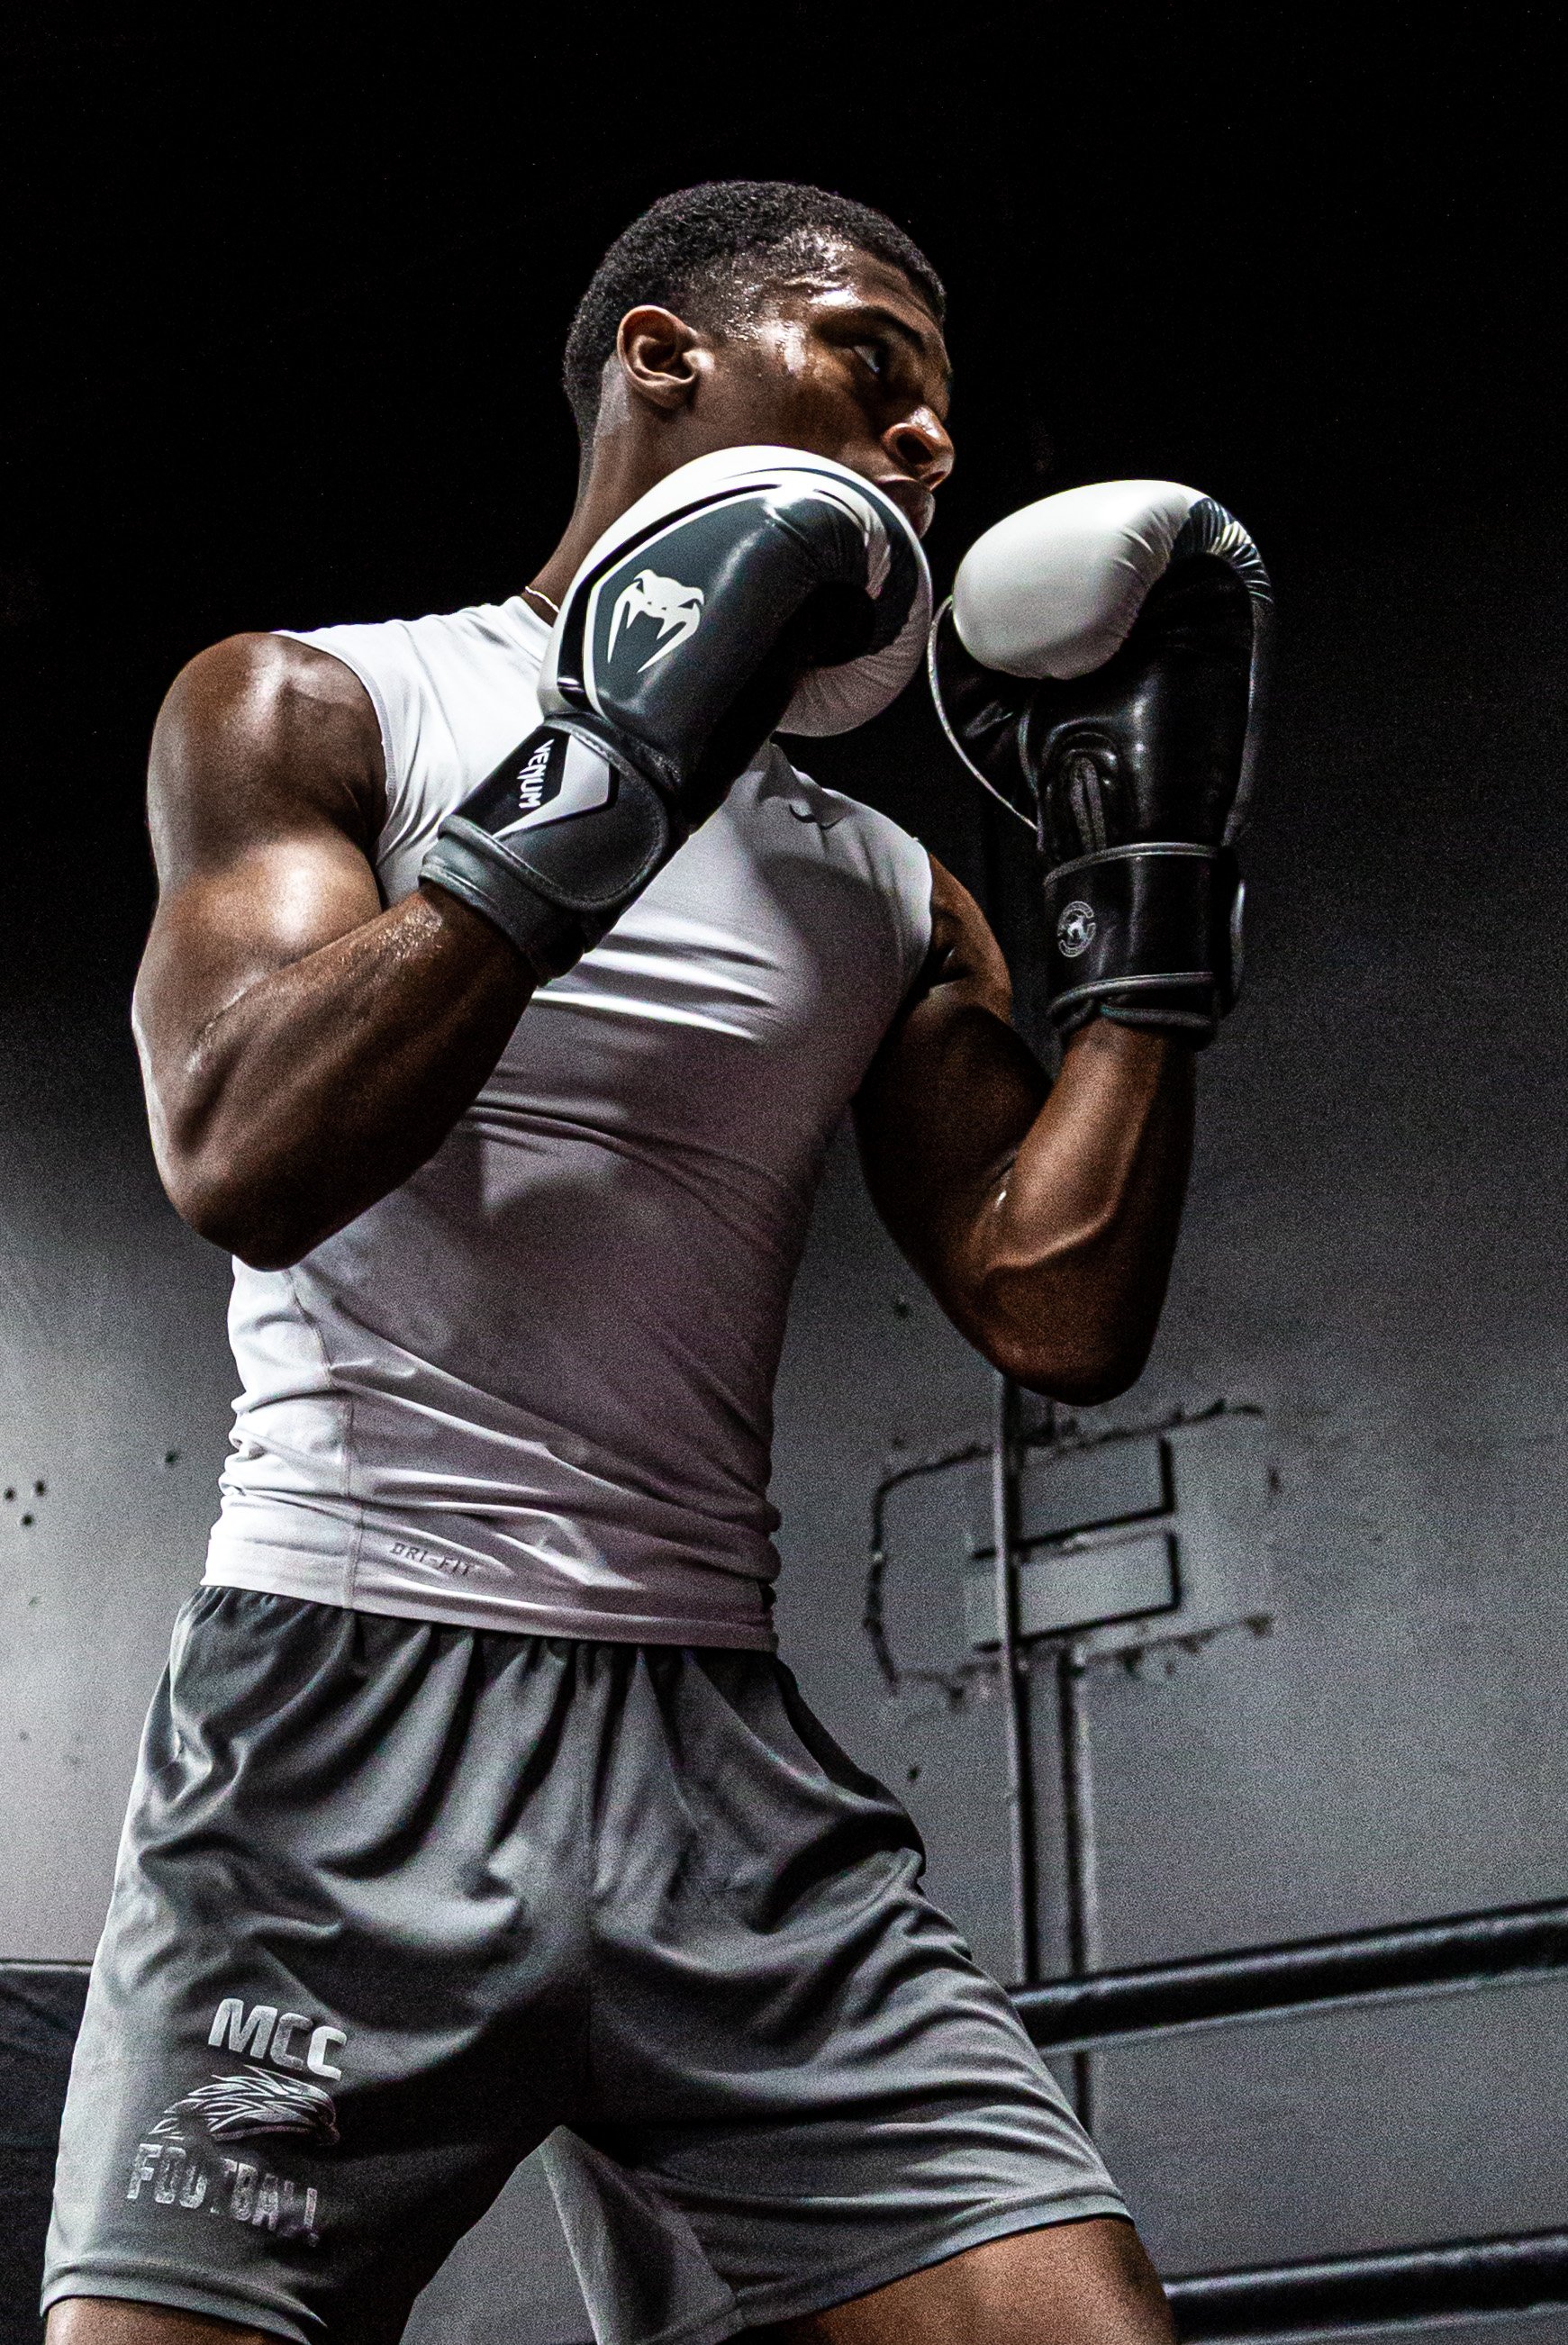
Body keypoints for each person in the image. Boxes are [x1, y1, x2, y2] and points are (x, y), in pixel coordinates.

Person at [44, 178, 1256, 2345]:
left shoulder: (885, 885)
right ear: (662, 359)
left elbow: (1053, 1304)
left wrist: (1149, 916)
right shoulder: (319, 706)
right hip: (338, 1718)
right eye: (871, 367)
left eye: (942, 421)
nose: (926, 447)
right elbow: (242, 1149)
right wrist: (611, 767)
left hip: (716, 1765)